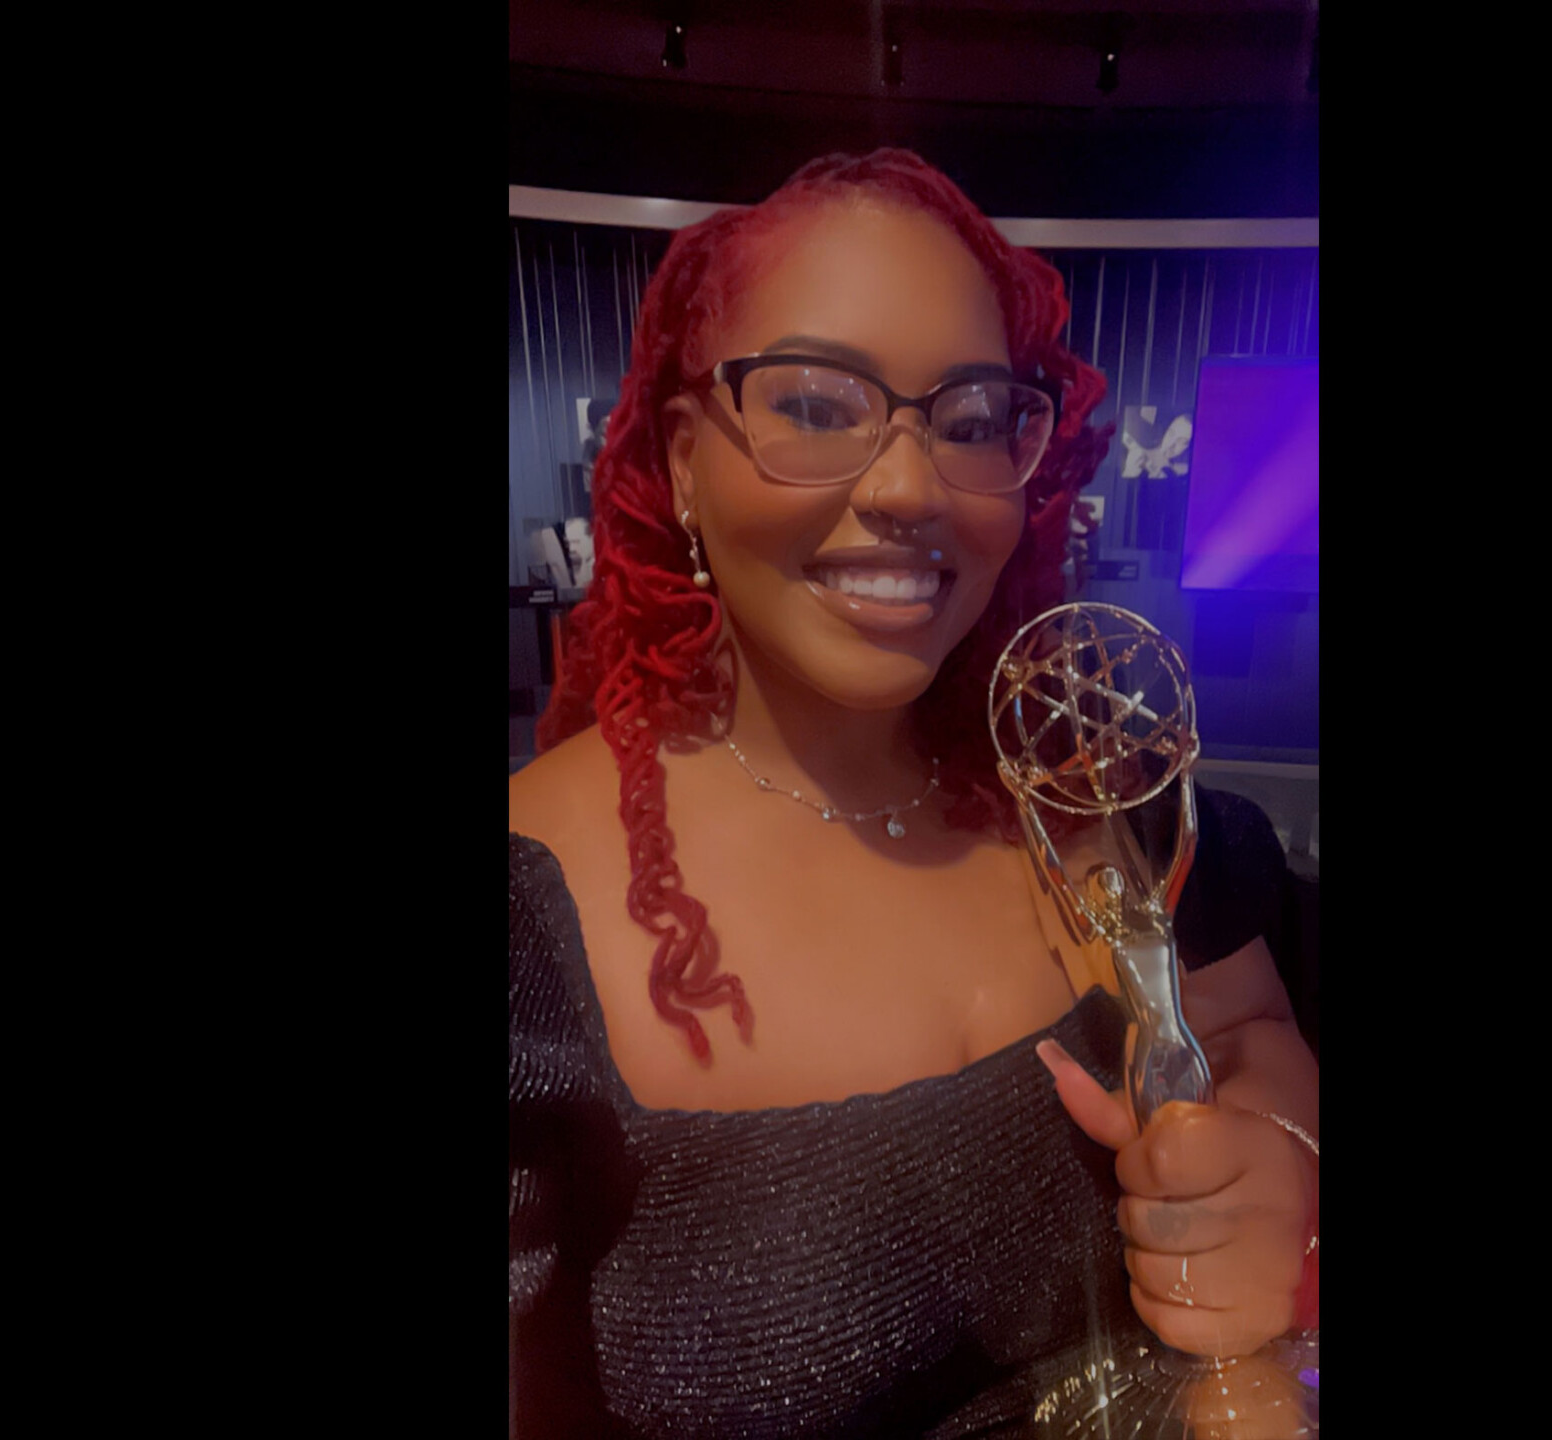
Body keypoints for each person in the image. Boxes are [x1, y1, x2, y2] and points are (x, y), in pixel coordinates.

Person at [510, 148, 1319, 1437]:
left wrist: (1277, 1160)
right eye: (816, 405)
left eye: (972, 417)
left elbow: (1243, 1028)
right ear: (677, 463)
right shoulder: (529, 923)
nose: (907, 488)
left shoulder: (1092, 787)